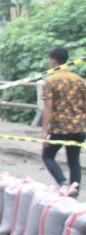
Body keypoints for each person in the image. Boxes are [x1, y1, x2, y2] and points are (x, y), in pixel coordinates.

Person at [41, 47, 86, 197]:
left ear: (53, 60)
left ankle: (63, 182)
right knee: (74, 161)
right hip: (78, 128)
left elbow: (48, 107)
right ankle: (74, 192)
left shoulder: (50, 80)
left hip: (58, 128)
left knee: (47, 156)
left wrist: (44, 130)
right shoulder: (78, 79)